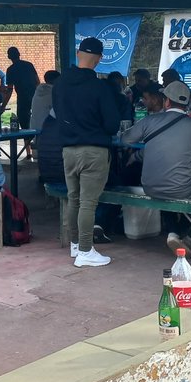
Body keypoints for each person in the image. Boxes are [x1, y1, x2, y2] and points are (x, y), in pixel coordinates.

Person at [119, 81, 191, 256]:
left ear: (167, 102)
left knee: (167, 185)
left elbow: (126, 140)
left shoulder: (149, 120)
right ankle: (183, 231)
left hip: (150, 187)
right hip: (181, 188)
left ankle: (174, 231)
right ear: (187, 103)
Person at [53, 36, 120, 267]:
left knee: (74, 199)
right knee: (89, 202)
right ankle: (85, 251)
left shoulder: (60, 83)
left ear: (78, 53)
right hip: (94, 151)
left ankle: (74, 245)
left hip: (68, 151)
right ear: (99, 59)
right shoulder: (99, 87)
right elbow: (112, 125)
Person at [5, 46, 41, 127]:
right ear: (19, 54)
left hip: (22, 98)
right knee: (37, 119)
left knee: (24, 122)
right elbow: (37, 81)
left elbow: (10, 89)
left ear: (9, 57)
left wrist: (3, 105)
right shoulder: (29, 65)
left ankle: (27, 139)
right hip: (34, 95)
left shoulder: (10, 69)